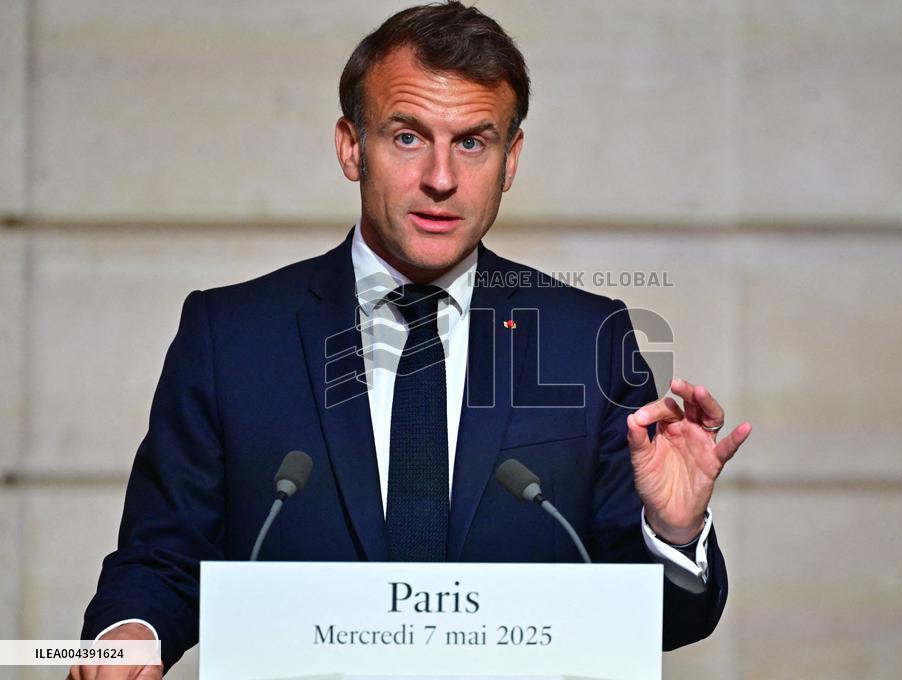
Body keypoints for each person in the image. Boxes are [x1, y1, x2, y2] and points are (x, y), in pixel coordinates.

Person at [71, 3, 751, 678]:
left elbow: (662, 621)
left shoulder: (587, 339)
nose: (441, 178)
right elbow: (161, 557)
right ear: (350, 146)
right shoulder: (230, 335)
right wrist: (129, 634)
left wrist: (673, 532)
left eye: (473, 142)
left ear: (510, 159)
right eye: (406, 137)